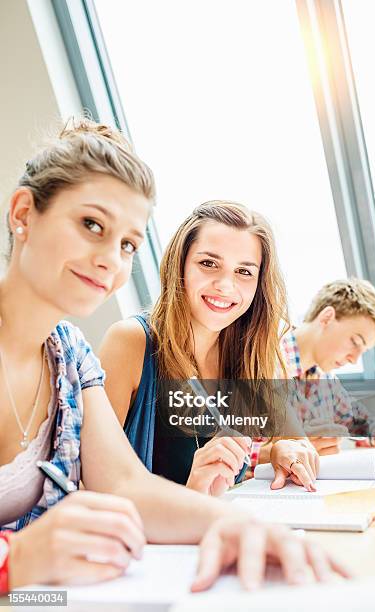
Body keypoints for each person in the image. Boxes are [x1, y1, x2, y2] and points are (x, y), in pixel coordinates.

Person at [0, 120, 346, 593]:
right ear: (23, 213)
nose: (110, 260)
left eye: (127, 244)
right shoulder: (129, 342)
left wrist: (242, 526)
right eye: (91, 225)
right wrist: (14, 562)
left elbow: (124, 484)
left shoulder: (69, 353)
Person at [100, 201, 320, 497]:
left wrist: (283, 448)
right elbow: (92, 490)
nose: (225, 286)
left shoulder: (249, 354)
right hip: (153, 539)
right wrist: (192, 492)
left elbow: (298, 441)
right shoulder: (131, 342)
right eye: (208, 263)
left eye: (244, 271)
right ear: (180, 264)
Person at [253, 278, 375, 474]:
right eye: (355, 342)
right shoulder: (261, 358)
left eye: (363, 351)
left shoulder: (325, 381)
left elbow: (358, 421)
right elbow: (212, 450)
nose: (354, 359)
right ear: (326, 318)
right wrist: (286, 453)